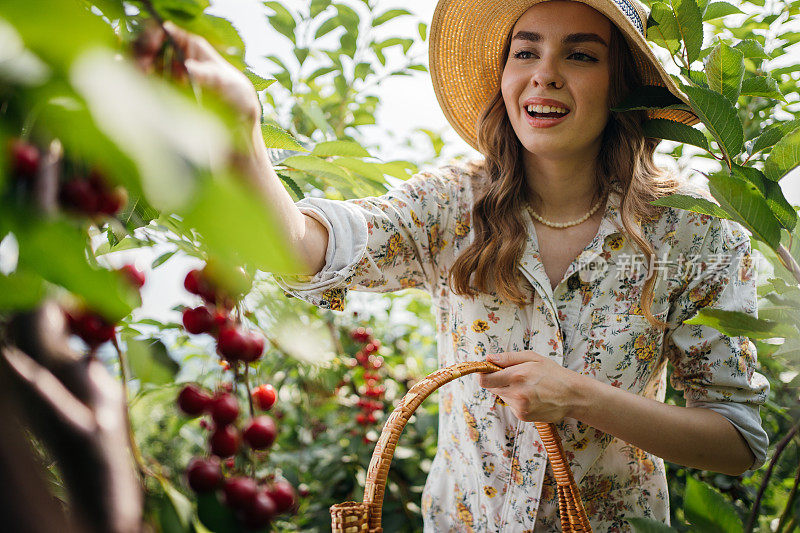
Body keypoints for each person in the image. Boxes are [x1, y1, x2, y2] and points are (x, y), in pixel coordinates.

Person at [134, 0, 770, 530]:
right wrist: (244, 131)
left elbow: (738, 441)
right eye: (525, 51)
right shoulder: (453, 205)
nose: (544, 74)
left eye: (579, 54)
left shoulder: (692, 228)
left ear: (623, 84)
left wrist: (579, 397)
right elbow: (310, 251)